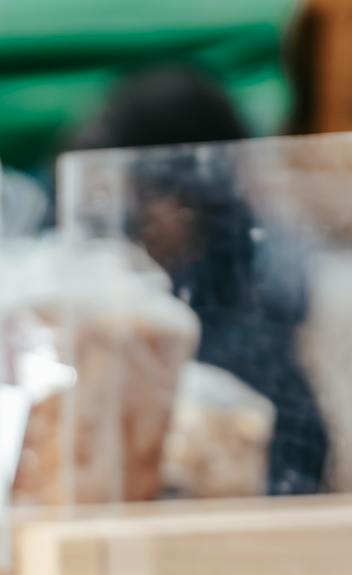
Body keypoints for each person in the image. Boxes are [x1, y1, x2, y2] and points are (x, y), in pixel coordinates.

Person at [70, 65, 332, 494]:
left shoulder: (249, 307)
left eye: (148, 194)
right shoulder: (121, 300)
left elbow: (294, 464)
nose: (142, 219)